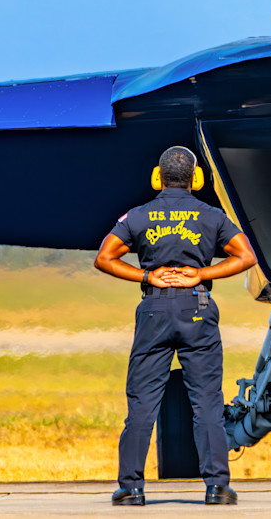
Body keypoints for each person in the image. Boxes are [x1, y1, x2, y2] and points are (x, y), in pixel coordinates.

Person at [94, 146, 257, 506]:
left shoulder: (138, 216)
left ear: (158, 176)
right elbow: (245, 256)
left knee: (142, 403)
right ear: (196, 179)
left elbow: (104, 258)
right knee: (207, 403)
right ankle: (217, 487)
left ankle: (131, 488)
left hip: (154, 308)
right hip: (197, 309)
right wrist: (201, 273)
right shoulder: (211, 216)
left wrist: (147, 275)